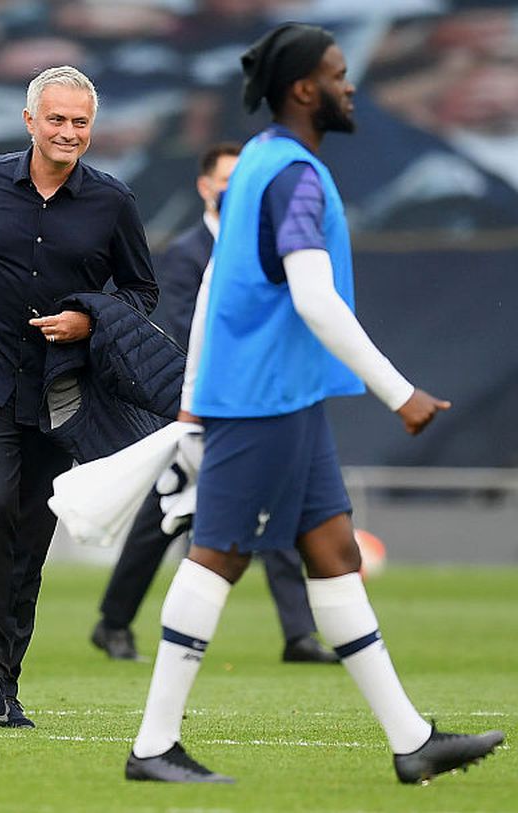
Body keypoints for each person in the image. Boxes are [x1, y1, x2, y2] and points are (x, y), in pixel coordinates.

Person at [125, 24, 504, 784]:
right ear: (304, 89)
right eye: (338, 72)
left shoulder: (259, 164)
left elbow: (214, 296)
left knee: (333, 556)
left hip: (277, 401)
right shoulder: (294, 175)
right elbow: (315, 300)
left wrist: (196, 398)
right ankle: (152, 746)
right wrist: (401, 393)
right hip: (264, 403)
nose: (351, 83)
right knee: (218, 556)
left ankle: (411, 740)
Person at [0, 65, 158, 728]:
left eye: (79, 122)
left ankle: (7, 675)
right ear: (29, 122)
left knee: (31, 526)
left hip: (61, 384)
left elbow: (141, 291)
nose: (68, 131)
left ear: (91, 129)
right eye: (56, 119)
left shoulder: (113, 201)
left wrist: (90, 319)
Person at [91, 142, 337, 665]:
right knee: (164, 516)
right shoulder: (186, 253)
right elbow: (179, 332)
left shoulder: (264, 248)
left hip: (261, 404)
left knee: (277, 508)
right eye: (226, 180)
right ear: (205, 187)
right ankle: (114, 621)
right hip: (200, 405)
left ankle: (298, 635)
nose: (236, 190)